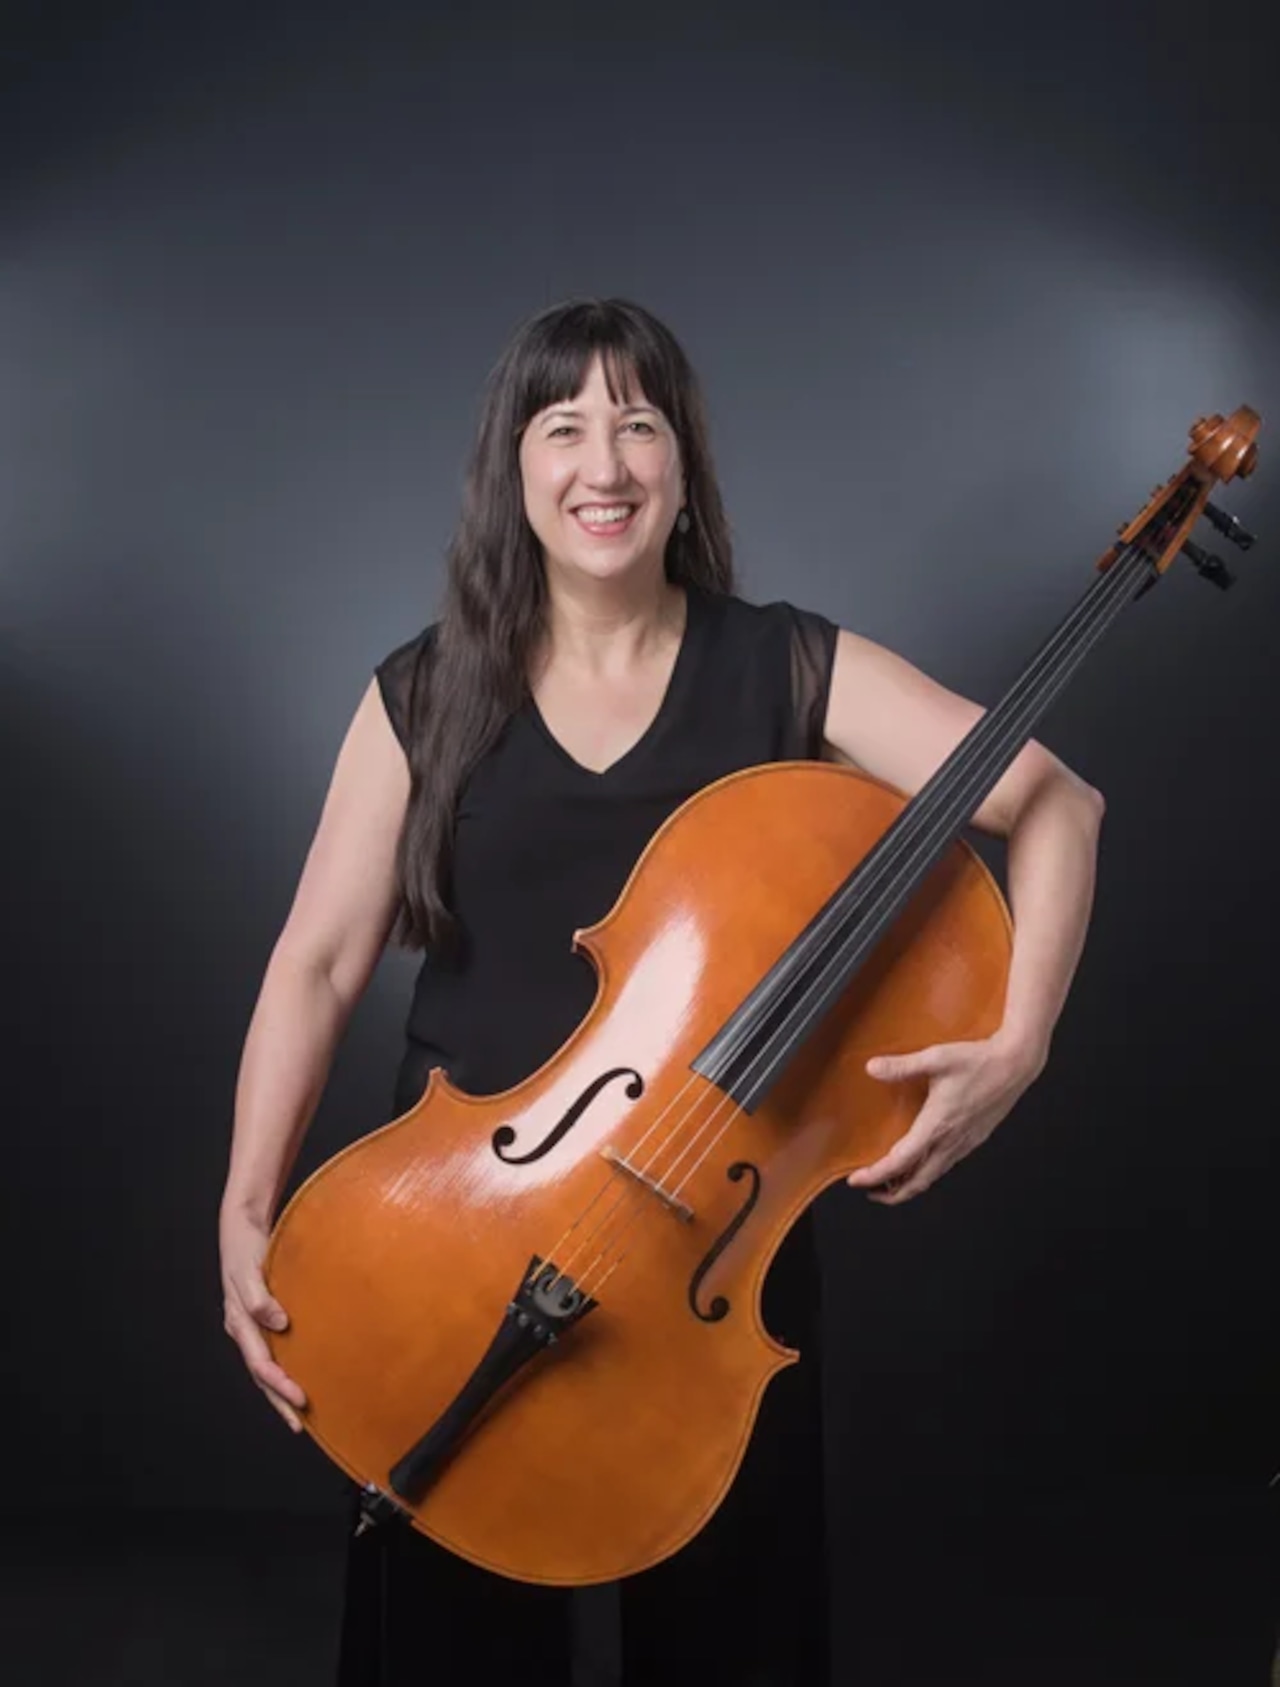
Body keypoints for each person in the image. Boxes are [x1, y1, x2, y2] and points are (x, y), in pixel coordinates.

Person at [219, 296, 1105, 1685]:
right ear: (514, 470)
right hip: (451, 1244)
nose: (604, 464)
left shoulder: (786, 667)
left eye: (639, 424)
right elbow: (317, 962)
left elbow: (1055, 803)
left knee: (730, 1641)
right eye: (563, 426)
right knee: (446, 1647)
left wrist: (1021, 1042)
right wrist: (245, 1203)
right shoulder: (426, 692)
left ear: (683, 462)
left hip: (708, 1245)